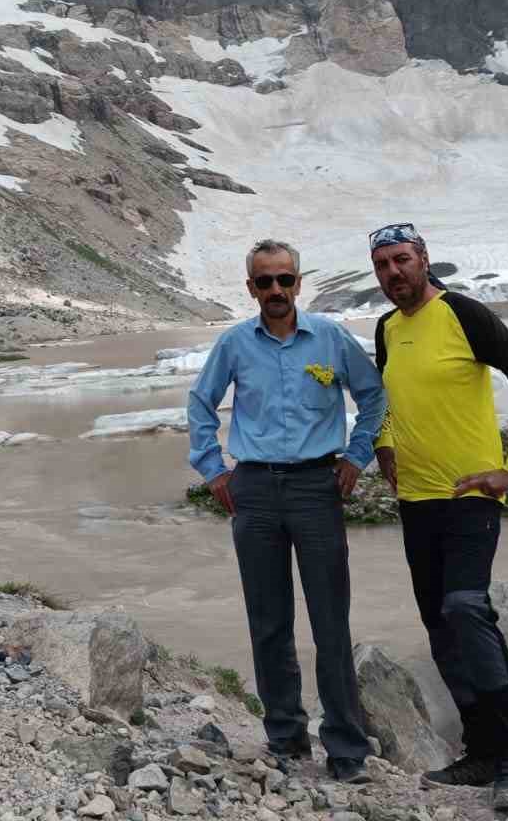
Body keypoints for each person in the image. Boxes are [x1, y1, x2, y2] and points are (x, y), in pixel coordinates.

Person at [366, 223, 508, 810]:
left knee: (465, 608)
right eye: (382, 265)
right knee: (440, 626)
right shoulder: (388, 329)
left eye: (402, 260)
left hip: (471, 494)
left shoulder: (464, 314)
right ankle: (480, 750)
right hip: (416, 500)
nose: (393, 273)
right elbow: (384, 400)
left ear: (423, 259)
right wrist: (385, 445)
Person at [188, 238, 387, 784]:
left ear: (299, 283)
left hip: (316, 488)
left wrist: (357, 456)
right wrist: (214, 470)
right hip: (252, 489)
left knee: (330, 621)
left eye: (283, 279)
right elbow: (200, 402)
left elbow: (373, 396)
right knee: (269, 620)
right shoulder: (234, 343)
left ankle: (346, 747)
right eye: (263, 281)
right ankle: (285, 737)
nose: (274, 290)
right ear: (250, 288)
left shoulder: (328, 338)